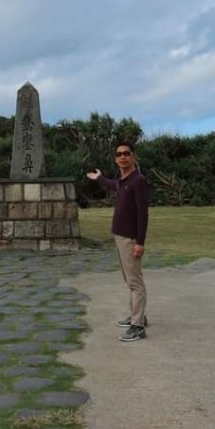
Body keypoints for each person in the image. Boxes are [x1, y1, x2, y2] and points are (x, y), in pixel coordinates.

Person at [86, 140, 149, 342]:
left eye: (127, 153)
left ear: (133, 156)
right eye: (119, 154)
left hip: (130, 238)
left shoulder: (138, 180)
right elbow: (114, 186)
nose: (123, 157)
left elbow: (143, 214)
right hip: (120, 236)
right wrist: (99, 178)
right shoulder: (124, 180)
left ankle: (138, 326)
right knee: (129, 280)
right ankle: (137, 316)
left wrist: (140, 242)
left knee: (135, 282)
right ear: (115, 158)